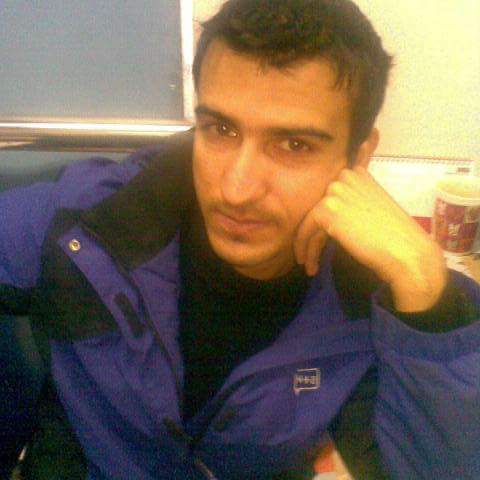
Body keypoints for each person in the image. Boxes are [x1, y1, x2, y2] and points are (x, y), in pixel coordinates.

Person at [1, 0, 479, 478]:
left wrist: (426, 293)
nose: (236, 190)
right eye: (221, 129)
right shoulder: (92, 224)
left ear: (358, 155)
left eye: (294, 144)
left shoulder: (378, 299)